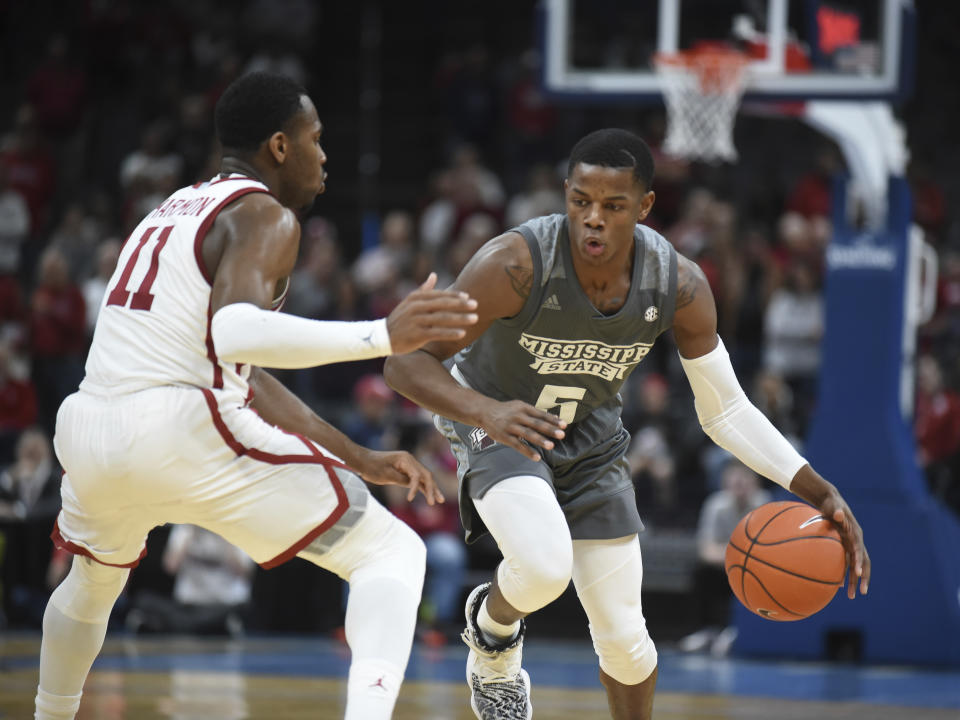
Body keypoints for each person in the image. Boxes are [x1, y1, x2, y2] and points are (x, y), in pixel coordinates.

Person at [34, 72, 479, 720]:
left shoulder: (169, 211)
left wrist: (356, 454)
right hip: (178, 428)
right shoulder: (265, 213)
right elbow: (237, 330)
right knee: (391, 551)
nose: (325, 156)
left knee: (93, 583)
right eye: (316, 139)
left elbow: (244, 368)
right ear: (278, 146)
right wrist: (383, 333)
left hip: (88, 430)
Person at [384, 128, 871, 720]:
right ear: (565, 194)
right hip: (497, 417)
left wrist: (820, 491)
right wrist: (486, 411)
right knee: (542, 568)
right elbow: (404, 361)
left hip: (590, 437)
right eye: (580, 201)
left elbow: (726, 410)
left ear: (643, 208)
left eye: (612, 207)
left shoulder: (680, 285)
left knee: (626, 640)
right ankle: (492, 640)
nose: (592, 219)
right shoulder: (513, 264)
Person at [680, 460, 771, 656]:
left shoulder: (765, 504)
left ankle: (736, 630)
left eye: (745, 478)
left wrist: (733, 555)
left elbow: (767, 552)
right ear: (725, 483)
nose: (740, 483)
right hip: (725, 567)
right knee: (700, 572)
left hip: (753, 571)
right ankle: (706, 630)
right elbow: (706, 550)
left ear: (755, 482)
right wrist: (739, 557)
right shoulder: (715, 505)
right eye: (734, 479)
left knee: (761, 576)